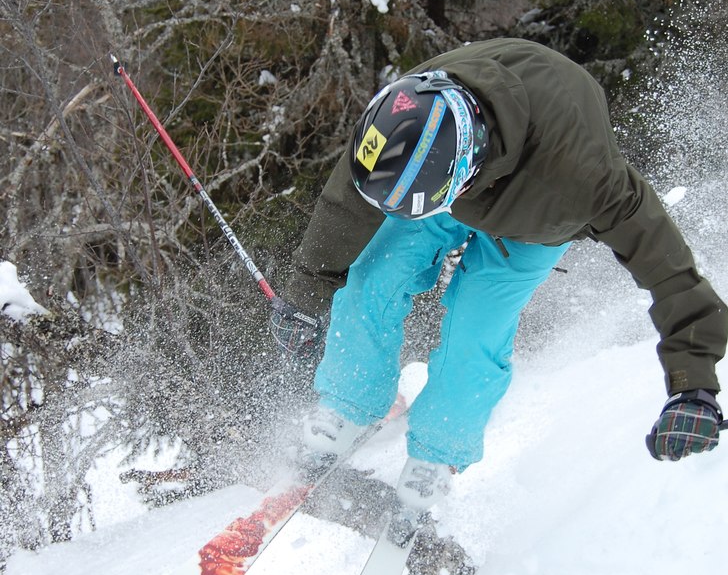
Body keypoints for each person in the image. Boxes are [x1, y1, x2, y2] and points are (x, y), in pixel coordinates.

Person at [270, 38, 727, 509]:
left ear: (464, 172)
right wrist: (306, 296)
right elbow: (347, 204)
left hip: (533, 223)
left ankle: (436, 455)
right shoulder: (408, 113)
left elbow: (671, 271)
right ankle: (348, 406)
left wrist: (693, 386)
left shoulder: (586, 176)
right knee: (374, 277)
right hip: (440, 189)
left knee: (476, 329)